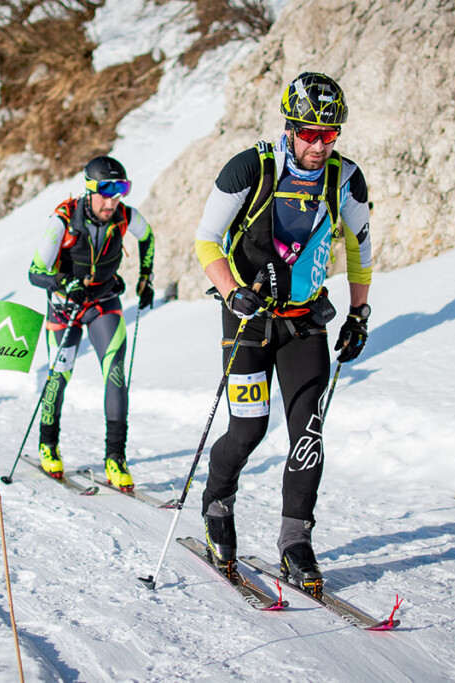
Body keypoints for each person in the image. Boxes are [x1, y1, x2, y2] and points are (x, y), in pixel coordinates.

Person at [193, 72, 373, 594]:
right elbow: (206, 240)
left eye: (330, 134)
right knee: (248, 429)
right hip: (247, 318)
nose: (320, 145)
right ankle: (217, 506)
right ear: (290, 127)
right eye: (310, 133)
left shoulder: (346, 178)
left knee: (308, 436)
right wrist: (230, 291)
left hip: (305, 322)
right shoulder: (251, 167)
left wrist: (359, 314)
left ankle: (296, 540)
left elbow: (360, 250)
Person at [27, 155, 155, 491]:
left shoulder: (126, 216)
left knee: (116, 374)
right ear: (89, 189)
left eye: (120, 192)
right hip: (65, 307)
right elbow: (36, 272)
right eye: (107, 192)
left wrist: (145, 277)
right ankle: (48, 443)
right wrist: (63, 284)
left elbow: (148, 237)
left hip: (102, 301)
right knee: (60, 374)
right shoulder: (64, 219)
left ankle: (115, 457)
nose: (113, 201)